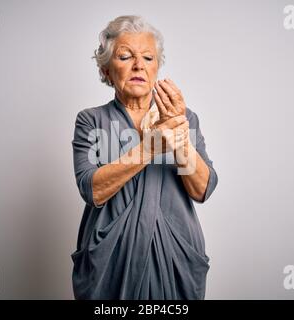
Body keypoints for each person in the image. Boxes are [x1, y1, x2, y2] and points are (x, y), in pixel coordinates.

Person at [71, 15, 218, 299]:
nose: (139, 65)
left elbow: (202, 189)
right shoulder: (90, 120)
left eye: (148, 58)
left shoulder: (184, 118)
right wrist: (149, 147)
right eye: (125, 56)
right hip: (110, 262)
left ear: (157, 67)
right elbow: (91, 188)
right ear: (106, 70)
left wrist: (179, 136)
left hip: (175, 258)